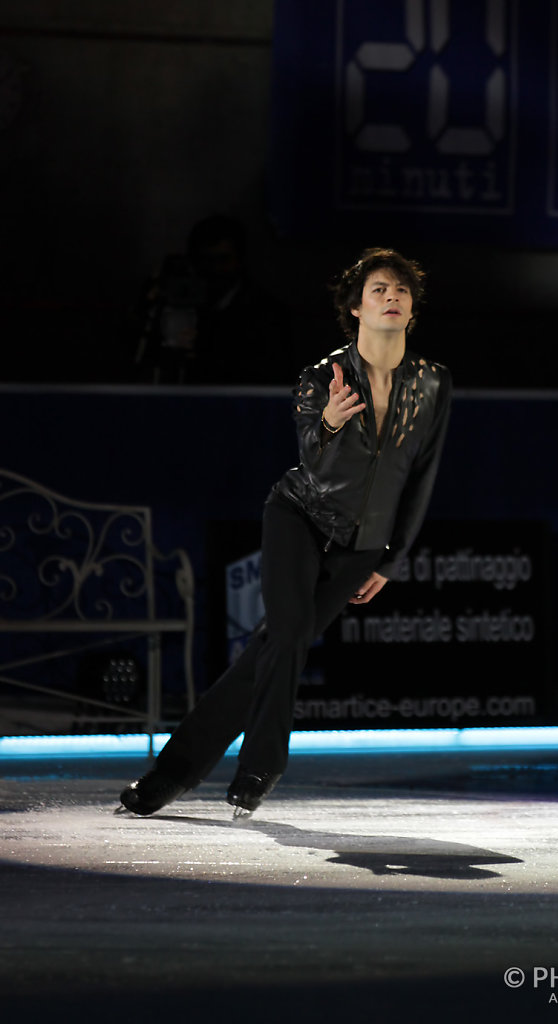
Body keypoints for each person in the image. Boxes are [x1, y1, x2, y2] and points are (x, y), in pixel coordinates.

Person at [119, 247, 452, 818]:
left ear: (412, 306)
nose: (392, 296)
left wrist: (390, 560)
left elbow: (422, 478)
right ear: (355, 307)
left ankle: (170, 775)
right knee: (290, 634)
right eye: (379, 289)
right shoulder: (322, 376)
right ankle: (260, 769)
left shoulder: (434, 383)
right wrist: (328, 423)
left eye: (400, 289)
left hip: (364, 542)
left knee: (272, 649)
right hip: (298, 516)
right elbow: (313, 460)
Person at [133, 214, 293, 384]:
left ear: (240, 260)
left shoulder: (265, 312)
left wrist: (206, 353)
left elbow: (268, 372)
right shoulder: (169, 303)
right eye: (206, 260)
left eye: (223, 260)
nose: (215, 269)